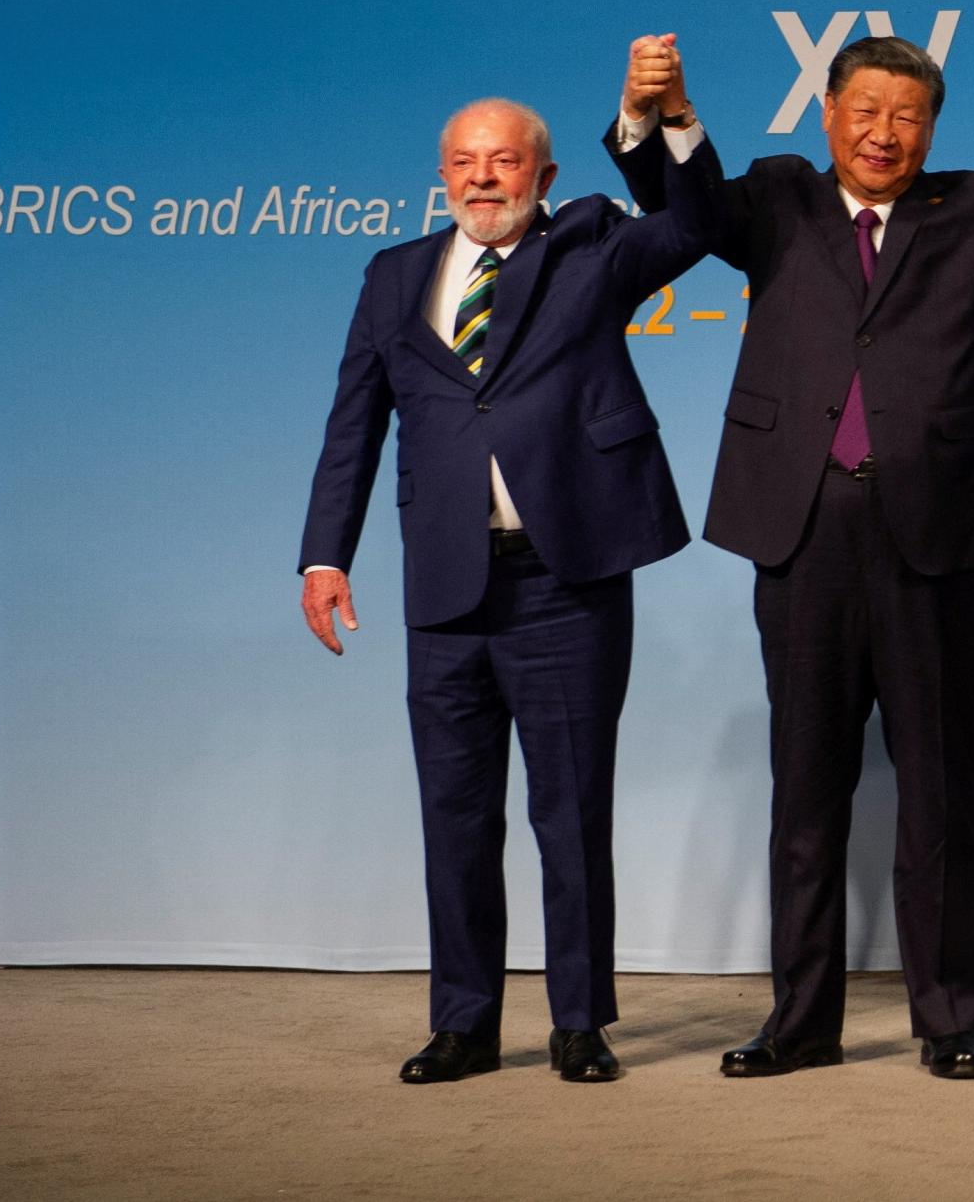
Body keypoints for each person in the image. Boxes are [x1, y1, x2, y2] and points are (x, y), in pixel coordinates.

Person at [608, 32, 974, 1082]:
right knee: (805, 787)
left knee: (938, 790)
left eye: (906, 115)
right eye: (864, 110)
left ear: (932, 129)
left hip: (934, 535)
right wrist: (659, 114)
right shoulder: (778, 198)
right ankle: (800, 1019)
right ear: (827, 115)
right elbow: (688, 207)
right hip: (801, 530)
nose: (883, 132)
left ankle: (947, 1016)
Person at [297, 60, 719, 1085]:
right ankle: (464, 1020)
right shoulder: (393, 274)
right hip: (443, 583)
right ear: (441, 173)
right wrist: (323, 552)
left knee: (570, 811)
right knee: (454, 813)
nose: (483, 177)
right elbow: (354, 421)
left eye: (505, 160)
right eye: (464, 161)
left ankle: (579, 1020)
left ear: (545, 169)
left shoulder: (590, 246)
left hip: (562, 578)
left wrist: (662, 114)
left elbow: (698, 221)